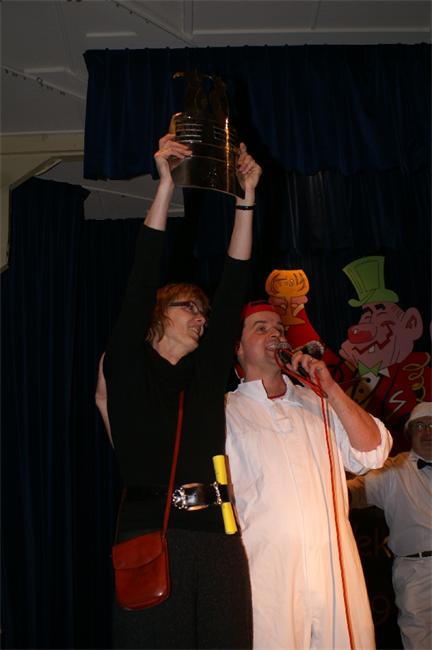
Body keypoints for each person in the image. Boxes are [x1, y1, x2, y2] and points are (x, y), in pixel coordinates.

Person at [100, 133, 262, 649]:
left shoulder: (205, 373)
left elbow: (235, 282)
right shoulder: (129, 365)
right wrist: (165, 185)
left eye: (203, 312)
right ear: (157, 317)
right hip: (151, 536)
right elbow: (142, 274)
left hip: (217, 538)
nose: (201, 316)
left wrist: (246, 199)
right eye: (188, 307)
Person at [225, 301, 393, 650]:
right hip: (267, 576)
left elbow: (373, 452)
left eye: (279, 329)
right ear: (238, 348)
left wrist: (330, 388)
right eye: (261, 328)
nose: (275, 334)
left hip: (335, 571)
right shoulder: (225, 411)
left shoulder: (318, 402)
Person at [348, 401, 432, 650]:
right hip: (416, 572)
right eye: (420, 426)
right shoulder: (394, 470)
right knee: (419, 641)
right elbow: (357, 490)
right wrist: (323, 487)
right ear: (410, 433)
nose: (427, 432)